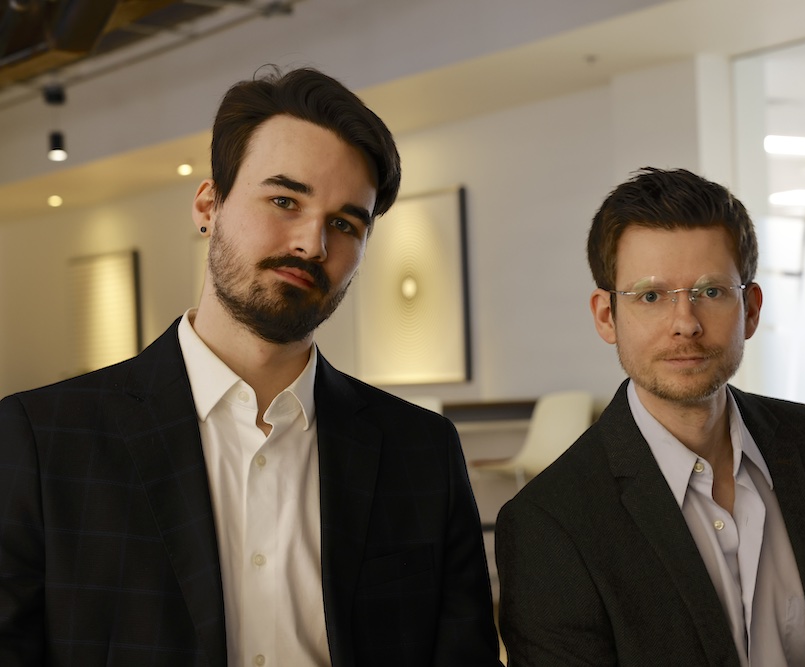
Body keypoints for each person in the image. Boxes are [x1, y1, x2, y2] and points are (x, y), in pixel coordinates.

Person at [0, 67, 501, 667]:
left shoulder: (421, 452)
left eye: (345, 223)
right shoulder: (42, 439)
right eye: (284, 200)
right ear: (209, 205)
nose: (312, 243)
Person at [495, 167, 805, 666]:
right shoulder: (550, 524)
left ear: (750, 309)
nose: (685, 323)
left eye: (710, 292)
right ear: (606, 316)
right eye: (650, 296)